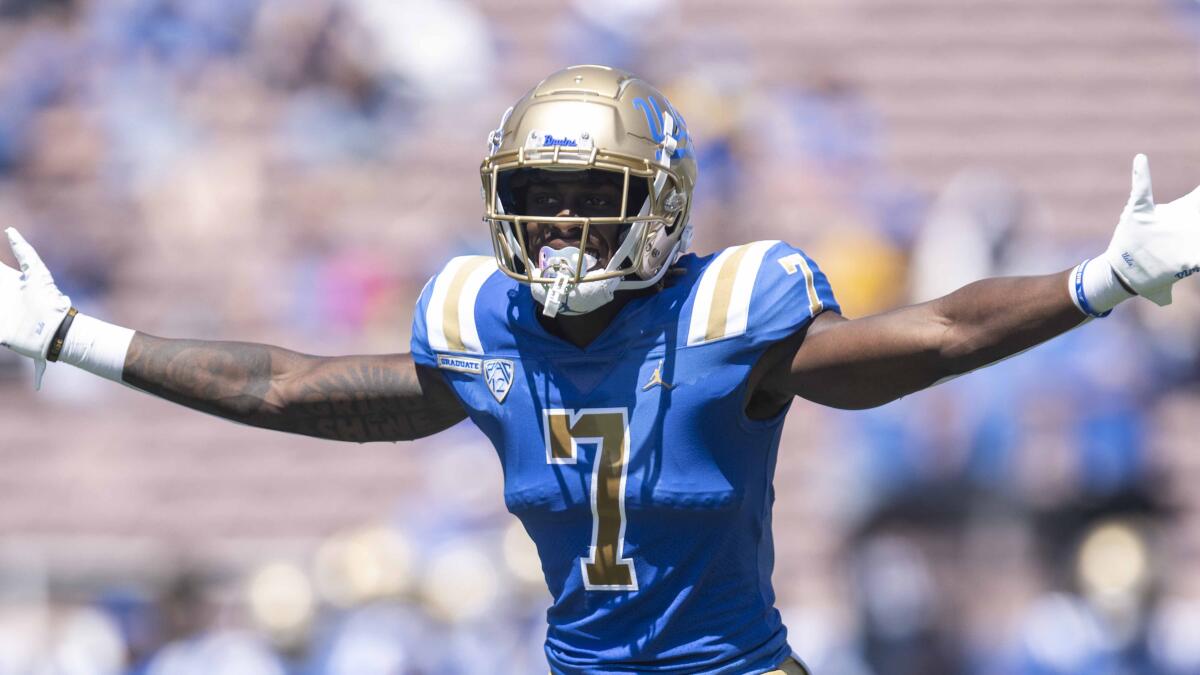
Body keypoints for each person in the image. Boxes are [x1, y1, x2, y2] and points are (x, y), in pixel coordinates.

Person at [2, 64, 1198, 675]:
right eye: (540, 200)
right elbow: (287, 385)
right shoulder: (481, 324)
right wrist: (74, 336)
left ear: (661, 206)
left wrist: (1099, 279)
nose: (563, 228)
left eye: (592, 199)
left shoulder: (734, 312)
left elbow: (932, 335)